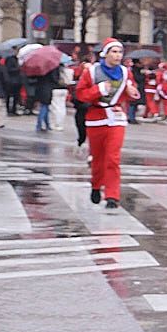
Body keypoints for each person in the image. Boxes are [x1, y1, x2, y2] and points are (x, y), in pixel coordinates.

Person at [71, 38, 137, 208]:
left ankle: (112, 196)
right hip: (96, 117)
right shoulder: (92, 72)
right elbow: (80, 94)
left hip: (116, 117)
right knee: (98, 159)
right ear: (105, 54)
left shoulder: (124, 72)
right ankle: (95, 185)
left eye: (120, 52)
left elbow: (132, 91)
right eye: (113, 52)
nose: (117, 55)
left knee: (113, 158)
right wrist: (98, 90)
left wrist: (131, 92)